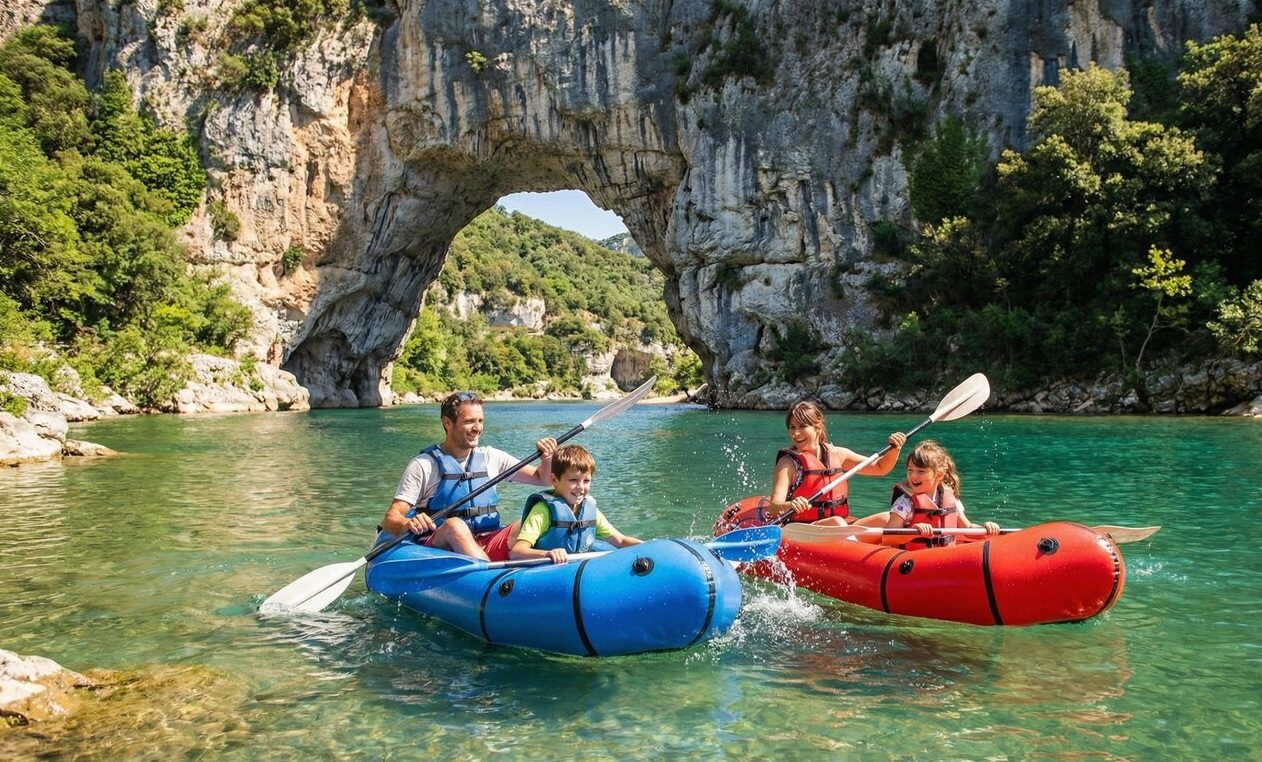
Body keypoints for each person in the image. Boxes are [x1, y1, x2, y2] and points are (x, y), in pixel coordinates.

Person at [380, 390, 557, 561]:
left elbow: (541, 478)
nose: (477, 428)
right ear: (447, 423)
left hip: (488, 538)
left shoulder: (491, 457)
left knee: (524, 524)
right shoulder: (424, 465)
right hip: (441, 545)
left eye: (480, 421)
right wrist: (408, 524)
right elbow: (391, 518)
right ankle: (490, 577)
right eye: (470, 421)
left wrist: (547, 459)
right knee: (455, 526)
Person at [766, 399, 907, 526]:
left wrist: (895, 449)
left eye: (802, 427)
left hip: (837, 525)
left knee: (887, 518)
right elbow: (774, 507)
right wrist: (791, 504)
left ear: (818, 428)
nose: (796, 433)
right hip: (804, 528)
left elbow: (880, 467)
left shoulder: (839, 455)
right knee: (837, 523)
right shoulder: (788, 463)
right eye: (792, 427)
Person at [510, 444, 641, 564]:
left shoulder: (590, 510)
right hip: (547, 572)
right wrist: (547, 554)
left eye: (586, 481)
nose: (581, 487)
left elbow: (620, 541)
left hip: (577, 570)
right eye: (573, 480)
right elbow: (517, 552)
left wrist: (650, 546)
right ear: (554, 480)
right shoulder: (543, 511)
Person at [866, 439, 1000, 548]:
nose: (913, 476)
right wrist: (913, 532)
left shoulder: (951, 499)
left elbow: (967, 528)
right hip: (913, 561)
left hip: (943, 559)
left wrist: (985, 529)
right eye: (910, 470)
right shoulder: (905, 502)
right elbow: (888, 538)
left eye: (921, 471)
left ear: (939, 475)